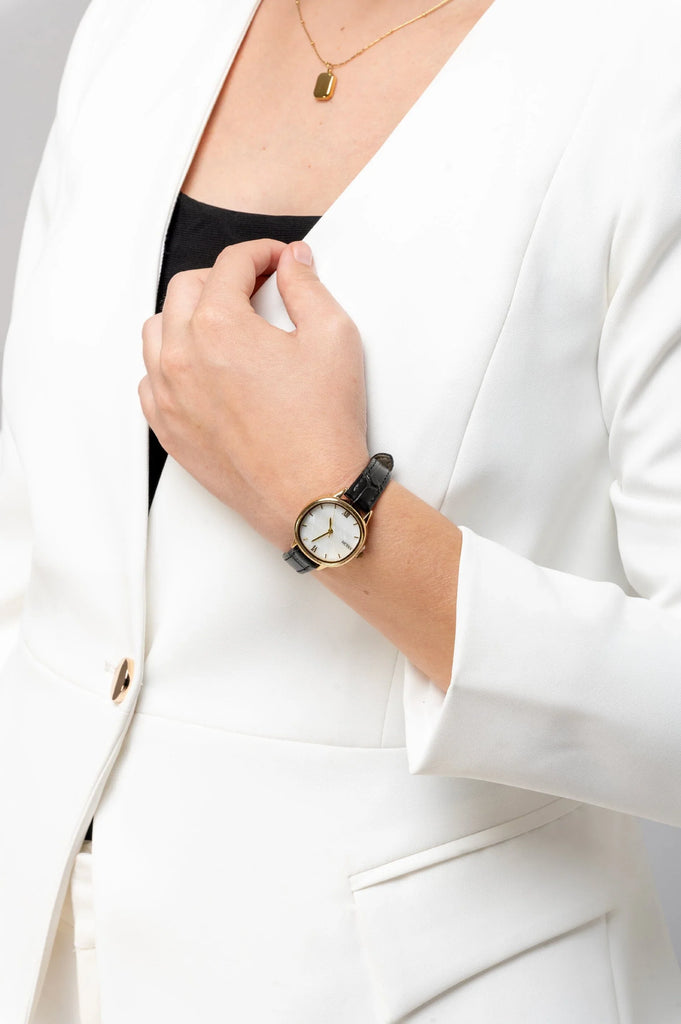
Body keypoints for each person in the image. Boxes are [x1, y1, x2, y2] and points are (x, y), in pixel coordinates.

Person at [1, 0, 681, 1020]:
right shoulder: (139, 22)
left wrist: (328, 507)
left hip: (418, 988)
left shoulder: (649, 69)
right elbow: (37, 539)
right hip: (46, 956)